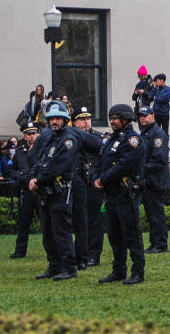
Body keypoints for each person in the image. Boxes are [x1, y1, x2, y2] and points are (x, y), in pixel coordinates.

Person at [29, 100, 82, 281]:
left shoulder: (68, 140)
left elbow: (57, 166)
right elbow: (38, 161)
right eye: (52, 118)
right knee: (48, 232)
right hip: (46, 192)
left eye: (58, 118)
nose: (54, 122)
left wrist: (39, 179)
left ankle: (69, 268)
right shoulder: (49, 138)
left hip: (60, 191)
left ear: (65, 119)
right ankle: (54, 265)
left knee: (61, 232)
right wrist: (33, 177)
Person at [94, 104, 146, 285]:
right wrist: (97, 177)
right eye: (111, 118)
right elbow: (101, 161)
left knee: (131, 234)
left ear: (125, 119)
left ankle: (138, 271)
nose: (112, 121)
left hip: (126, 194)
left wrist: (103, 179)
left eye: (115, 118)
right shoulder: (111, 140)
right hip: (111, 194)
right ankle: (118, 270)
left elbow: (125, 164)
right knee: (114, 235)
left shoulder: (132, 139)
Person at [66, 107, 103, 271]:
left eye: (88, 118)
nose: (87, 121)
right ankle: (79, 252)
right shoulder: (71, 138)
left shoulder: (96, 138)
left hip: (93, 182)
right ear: (75, 122)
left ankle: (93, 254)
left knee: (94, 219)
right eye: (82, 118)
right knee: (80, 220)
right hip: (77, 181)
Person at [138, 107, 170, 253]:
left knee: (156, 213)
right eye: (141, 116)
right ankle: (154, 241)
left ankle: (160, 243)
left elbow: (159, 160)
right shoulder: (145, 133)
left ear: (153, 116)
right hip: (147, 180)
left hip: (155, 180)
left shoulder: (158, 134)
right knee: (151, 214)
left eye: (145, 116)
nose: (143, 118)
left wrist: (141, 170)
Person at [9, 122, 40, 258]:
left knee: (47, 222)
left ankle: (53, 249)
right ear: (25, 136)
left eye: (34, 133)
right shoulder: (19, 152)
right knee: (23, 222)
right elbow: (12, 171)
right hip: (26, 191)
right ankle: (20, 251)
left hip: (40, 190)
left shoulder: (42, 150)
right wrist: (22, 176)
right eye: (29, 134)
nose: (32, 136)